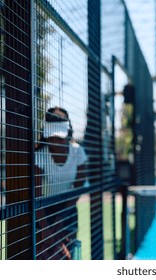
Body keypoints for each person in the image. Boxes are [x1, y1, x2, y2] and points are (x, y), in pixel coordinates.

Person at [35, 106, 88, 259]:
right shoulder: (39, 156)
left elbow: (77, 191)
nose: (54, 141)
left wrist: (60, 221)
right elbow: (36, 195)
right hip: (42, 212)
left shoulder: (78, 152)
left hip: (68, 209)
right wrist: (46, 230)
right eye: (51, 137)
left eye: (58, 137)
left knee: (67, 255)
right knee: (44, 255)